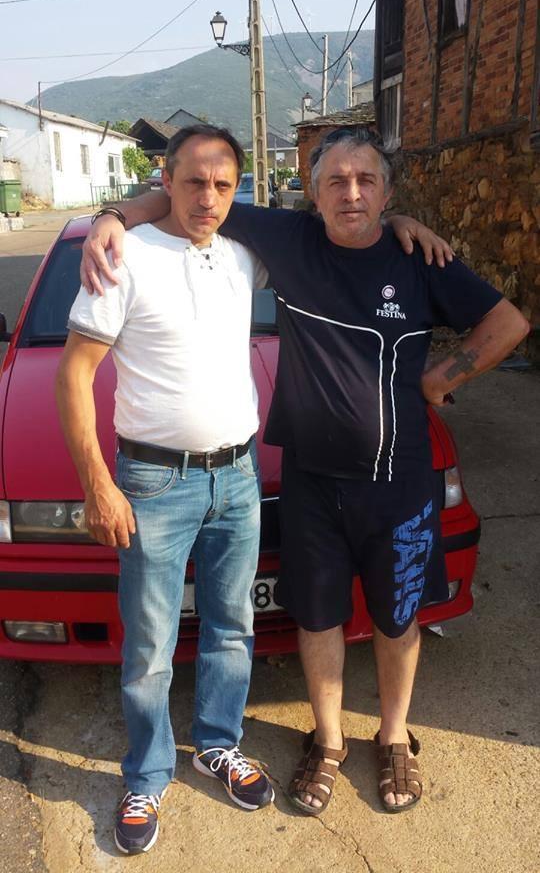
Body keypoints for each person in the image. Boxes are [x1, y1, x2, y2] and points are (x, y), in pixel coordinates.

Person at [81, 126, 523, 819]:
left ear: (388, 192)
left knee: (398, 618)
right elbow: (188, 197)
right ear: (311, 194)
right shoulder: (286, 239)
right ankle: (328, 739)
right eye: (335, 181)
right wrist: (113, 216)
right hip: (312, 482)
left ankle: (394, 737)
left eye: (366, 180)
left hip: (401, 482)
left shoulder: (417, 258)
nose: (352, 193)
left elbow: (508, 323)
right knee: (317, 618)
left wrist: (443, 378)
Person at [56, 125, 276, 856]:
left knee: (232, 627)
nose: (208, 198)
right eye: (193, 182)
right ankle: (147, 775)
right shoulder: (126, 257)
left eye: (223, 184)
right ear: (166, 181)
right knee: (151, 644)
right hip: (154, 482)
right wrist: (98, 485)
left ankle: (218, 744)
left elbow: (335, 235)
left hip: (237, 477)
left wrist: (398, 223)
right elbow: (73, 376)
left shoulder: (244, 253)